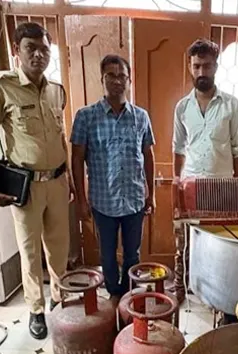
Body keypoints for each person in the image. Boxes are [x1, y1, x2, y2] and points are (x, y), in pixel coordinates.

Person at [0, 22, 71, 340]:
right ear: (17, 50)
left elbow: (60, 137)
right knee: (29, 250)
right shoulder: (1, 86)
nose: (39, 55)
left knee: (59, 247)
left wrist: (69, 177)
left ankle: (59, 298)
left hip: (57, 181)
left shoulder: (56, 90)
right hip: (26, 187)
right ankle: (36, 309)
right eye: (31, 48)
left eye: (44, 49)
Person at [71, 55, 156, 305]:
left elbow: (148, 156)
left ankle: (128, 295)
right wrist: (81, 200)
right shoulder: (86, 117)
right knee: (107, 255)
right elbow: (77, 159)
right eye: (111, 75)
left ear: (129, 80)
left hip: (134, 201)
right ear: (102, 79)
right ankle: (113, 294)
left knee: (133, 254)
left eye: (122, 76)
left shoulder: (141, 117)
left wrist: (151, 194)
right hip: (103, 202)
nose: (117, 81)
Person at [172, 38, 238, 304]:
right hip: (191, 187)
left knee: (220, 244)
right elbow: (178, 148)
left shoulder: (232, 105)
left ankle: (217, 294)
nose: (201, 72)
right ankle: (181, 286)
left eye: (206, 66)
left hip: (222, 188)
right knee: (184, 243)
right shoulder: (182, 107)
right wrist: (176, 183)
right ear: (190, 67)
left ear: (215, 67)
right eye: (196, 66)